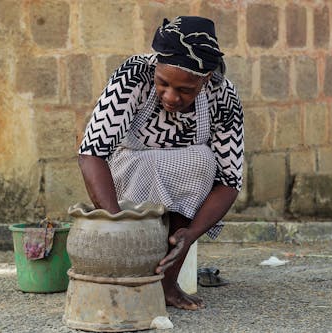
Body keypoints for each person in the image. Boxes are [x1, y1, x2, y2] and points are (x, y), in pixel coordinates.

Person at [78, 16, 244, 310]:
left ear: (204, 80)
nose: (170, 96)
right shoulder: (133, 75)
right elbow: (92, 151)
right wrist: (118, 224)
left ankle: (168, 283)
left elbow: (230, 181)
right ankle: (131, 277)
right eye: (163, 83)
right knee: (146, 162)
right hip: (130, 177)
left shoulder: (223, 94)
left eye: (185, 90)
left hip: (186, 191)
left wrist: (191, 234)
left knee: (202, 159)